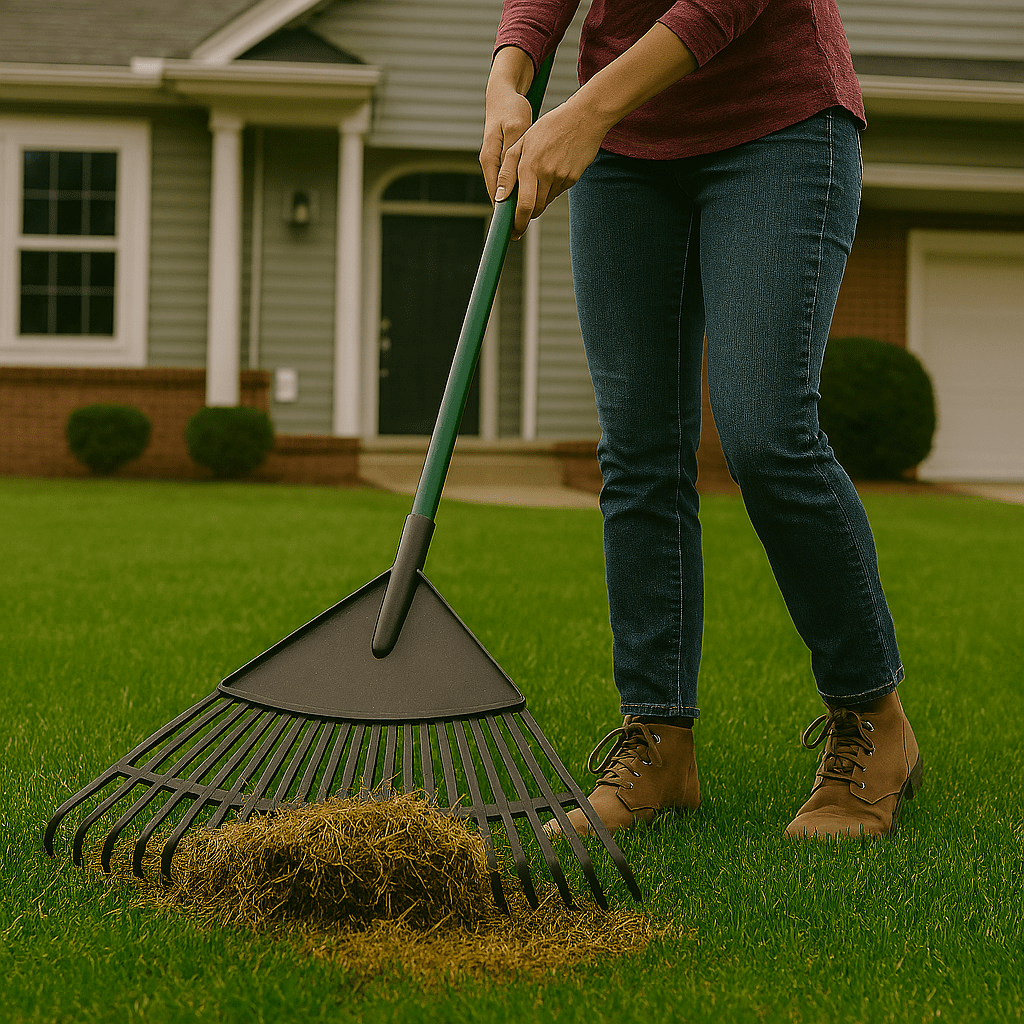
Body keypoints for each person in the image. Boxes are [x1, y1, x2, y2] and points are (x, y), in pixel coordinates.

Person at [479, 0, 923, 840]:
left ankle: (875, 719)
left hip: (778, 126)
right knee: (638, 450)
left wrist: (588, 109)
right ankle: (659, 744)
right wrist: (509, 76)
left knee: (767, 436)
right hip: (624, 154)